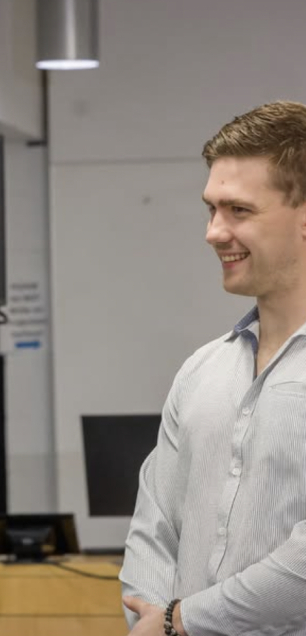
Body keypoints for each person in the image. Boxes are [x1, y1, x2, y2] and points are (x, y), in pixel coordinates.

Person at [121, 101, 306, 636]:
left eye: (239, 211)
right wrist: (153, 618)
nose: (213, 232)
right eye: (211, 209)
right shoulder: (202, 369)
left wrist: (184, 622)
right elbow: (153, 527)